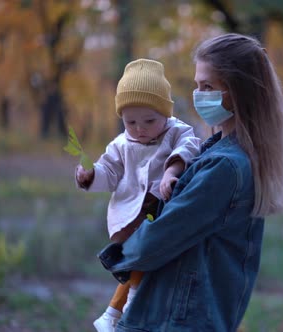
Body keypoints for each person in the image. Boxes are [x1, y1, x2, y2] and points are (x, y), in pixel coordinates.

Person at [104, 33, 283, 331]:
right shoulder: (222, 153)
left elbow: (157, 240)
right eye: (196, 85)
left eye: (208, 86)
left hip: (178, 321)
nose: (198, 94)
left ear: (237, 92)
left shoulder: (225, 166)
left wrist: (119, 251)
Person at [75, 58, 201, 332]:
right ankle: (123, 309)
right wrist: (90, 175)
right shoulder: (121, 143)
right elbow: (109, 171)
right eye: (130, 121)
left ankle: (120, 310)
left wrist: (172, 170)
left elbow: (191, 146)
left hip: (160, 211)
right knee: (137, 259)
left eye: (149, 120)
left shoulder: (177, 132)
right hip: (132, 214)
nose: (139, 128)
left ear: (165, 114)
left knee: (147, 258)